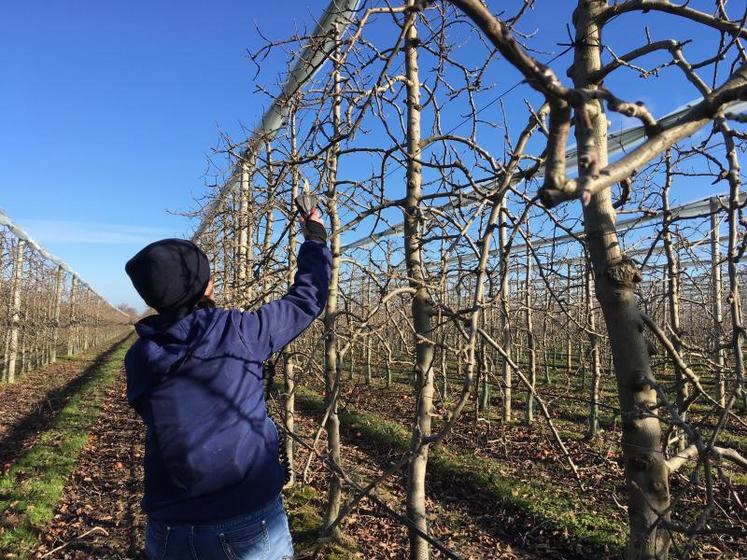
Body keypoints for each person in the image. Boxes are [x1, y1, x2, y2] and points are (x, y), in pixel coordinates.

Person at [124, 210, 331, 560]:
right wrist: (315, 239)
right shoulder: (237, 331)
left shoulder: (140, 356)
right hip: (245, 520)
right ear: (200, 288)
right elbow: (306, 299)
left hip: (168, 528)